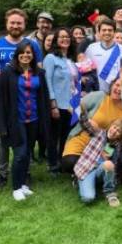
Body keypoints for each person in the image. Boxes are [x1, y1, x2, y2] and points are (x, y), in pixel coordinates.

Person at [0, 8, 43, 188]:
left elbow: (38, 67)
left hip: (25, 97)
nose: (15, 25)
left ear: (24, 24)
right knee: (2, 137)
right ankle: (2, 174)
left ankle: (25, 172)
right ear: (6, 23)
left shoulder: (32, 44)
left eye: (19, 23)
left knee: (26, 138)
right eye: (12, 22)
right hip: (3, 99)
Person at [0, 41, 51, 201]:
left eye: (29, 53)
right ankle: (16, 187)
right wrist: (1, 125)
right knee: (19, 154)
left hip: (33, 119)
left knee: (27, 154)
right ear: (17, 54)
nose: (26, 55)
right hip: (16, 120)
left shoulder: (38, 73)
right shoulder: (8, 73)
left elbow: (44, 96)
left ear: (33, 55)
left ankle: (24, 185)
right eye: (23, 52)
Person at [62, 79, 122, 172]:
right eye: (117, 85)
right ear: (112, 85)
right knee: (68, 163)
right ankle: (91, 170)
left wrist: (107, 151)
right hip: (82, 139)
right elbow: (72, 107)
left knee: (89, 164)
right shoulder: (100, 96)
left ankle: (86, 173)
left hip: (100, 147)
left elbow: (117, 139)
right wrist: (87, 120)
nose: (119, 89)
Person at [43, 28, 78, 173]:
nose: (65, 39)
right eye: (61, 37)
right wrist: (53, 104)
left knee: (66, 135)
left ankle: (62, 162)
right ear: (56, 40)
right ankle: (52, 165)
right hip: (58, 104)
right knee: (54, 136)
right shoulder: (50, 58)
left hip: (71, 105)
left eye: (67, 37)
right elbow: (47, 81)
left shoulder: (70, 60)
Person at [73, 119, 122, 206]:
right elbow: (85, 124)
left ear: (120, 136)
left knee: (109, 164)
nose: (114, 131)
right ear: (110, 126)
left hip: (99, 170)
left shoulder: (117, 146)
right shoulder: (98, 133)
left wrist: (106, 158)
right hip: (86, 170)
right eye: (114, 127)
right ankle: (79, 181)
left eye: (118, 131)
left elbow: (114, 167)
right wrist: (83, 114)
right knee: (88, 198)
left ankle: (110, 193)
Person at [85, 18, 122, 93]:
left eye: (110, 30)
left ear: (114, 32)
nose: (107, 32)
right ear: (99, 32)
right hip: (96, 92)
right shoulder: (91, 48)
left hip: (116, 92)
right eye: (104, 30)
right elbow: (86, 70)